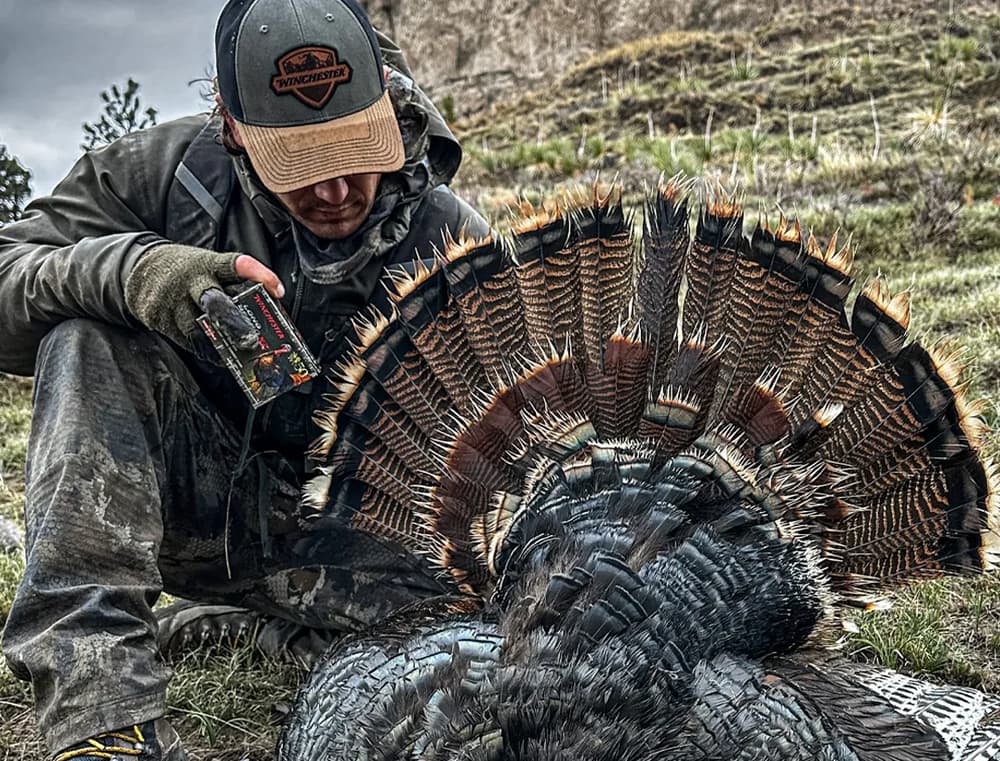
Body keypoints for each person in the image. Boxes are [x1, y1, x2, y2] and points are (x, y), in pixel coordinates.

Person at [0, 0, 489, 758]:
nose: (334, 191)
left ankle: (262, 625)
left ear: (389, 103)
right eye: (300, 163)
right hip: (206, 519)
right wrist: (135, 271)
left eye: (356, 148)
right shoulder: (159, 174)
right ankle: (103, 715)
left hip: (367, 553)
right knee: (85, 332)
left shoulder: (451, 237)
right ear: (233, 127)